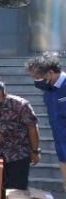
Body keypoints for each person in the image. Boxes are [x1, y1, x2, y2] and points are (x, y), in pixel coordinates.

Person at [26, 51, 66, 189]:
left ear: (50, 73)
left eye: (38, 77)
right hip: (62, 149)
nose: (37, 81)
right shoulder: (49, 90)